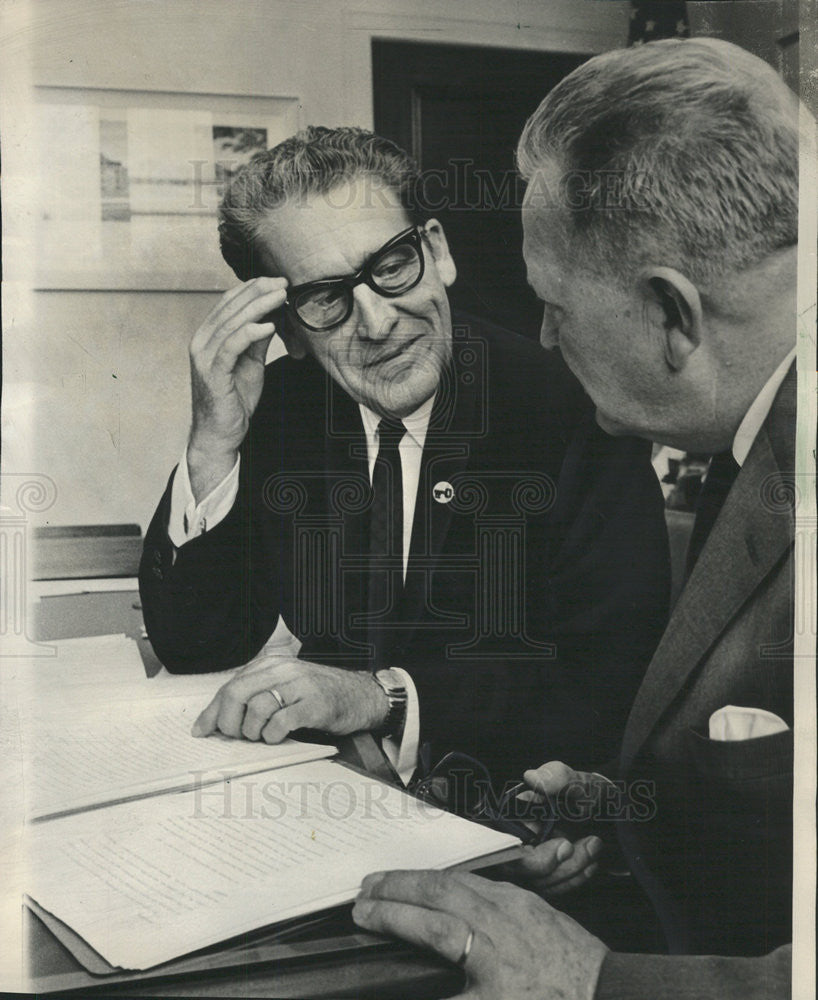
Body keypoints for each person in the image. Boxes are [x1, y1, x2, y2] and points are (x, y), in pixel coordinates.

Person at [353, 38, 802, 998]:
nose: (546, 336)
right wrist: (629, 804)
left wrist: (591, 981)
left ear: (674, 315)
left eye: (556, 304)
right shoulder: (758, 436)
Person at [139, 126, 669, 786]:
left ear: (437, 251)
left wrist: (380, 698)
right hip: (330, 793)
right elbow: (196, 646)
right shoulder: (278, 411)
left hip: (508, 808)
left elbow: (610, 681)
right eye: (326, 296)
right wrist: (212, 445)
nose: (379, 321)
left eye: (390, 266)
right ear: (288, 330)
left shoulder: (573, 411)